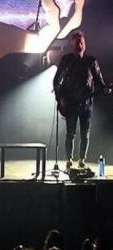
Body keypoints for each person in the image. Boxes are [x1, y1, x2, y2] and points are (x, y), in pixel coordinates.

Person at [54, 31, 109, 169]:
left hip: (86, 104)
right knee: (70, 133)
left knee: (85, 133)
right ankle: (69, 159)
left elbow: (99, 81)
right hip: (71, 102)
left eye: (82, 42)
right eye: (77, 42)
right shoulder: (67, 60)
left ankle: (82, 159)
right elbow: (57, 80)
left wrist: (105, 89)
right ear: (72, 44)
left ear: (85, 44)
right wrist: (60, 98)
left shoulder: (91, 61)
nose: (80, 44)